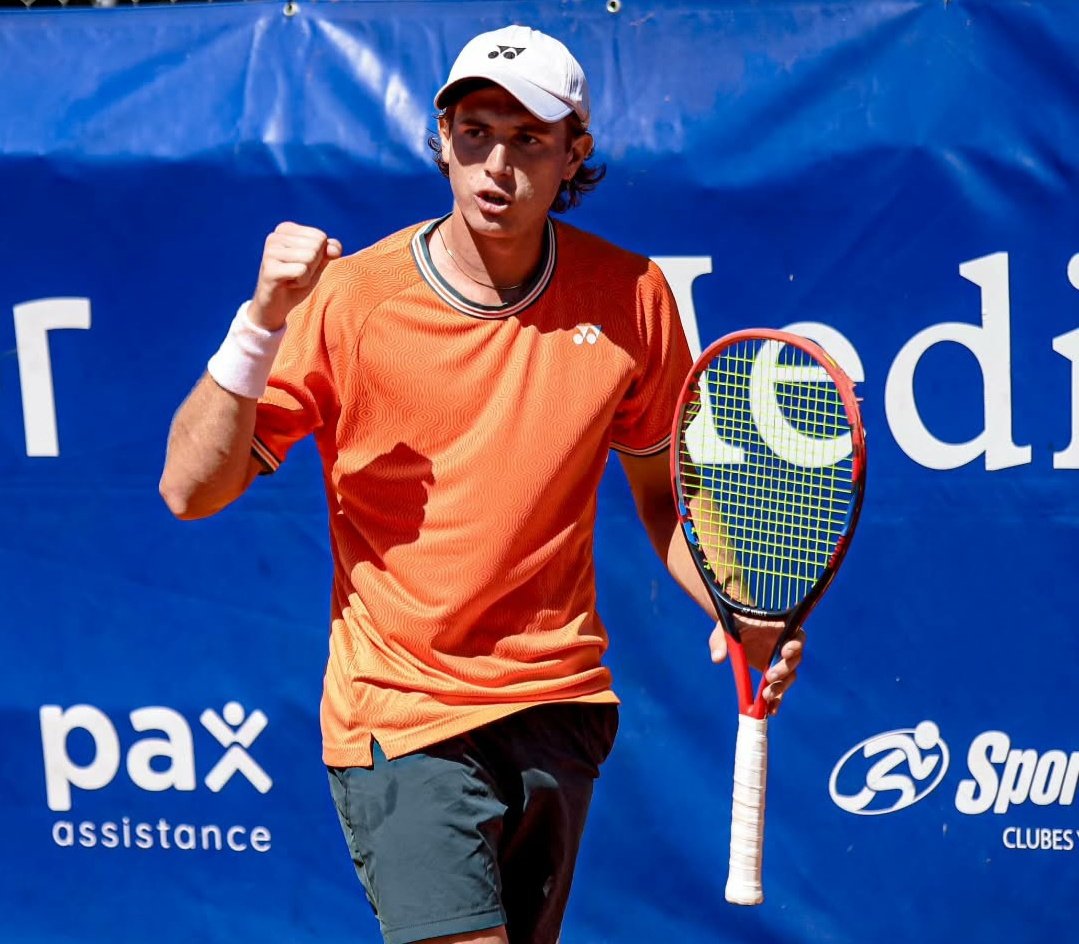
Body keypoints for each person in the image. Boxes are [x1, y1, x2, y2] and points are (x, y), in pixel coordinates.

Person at [159, 24, 805, 944]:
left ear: (574, 151)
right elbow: (190, 488)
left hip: (557, 710)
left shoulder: (633, 298)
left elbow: (669, 505)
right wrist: (261, 319)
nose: (496, 166)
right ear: (444, 141)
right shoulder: (351, 300)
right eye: (473, 134)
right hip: (402, 713)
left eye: (529, 139)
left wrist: (737, 607)